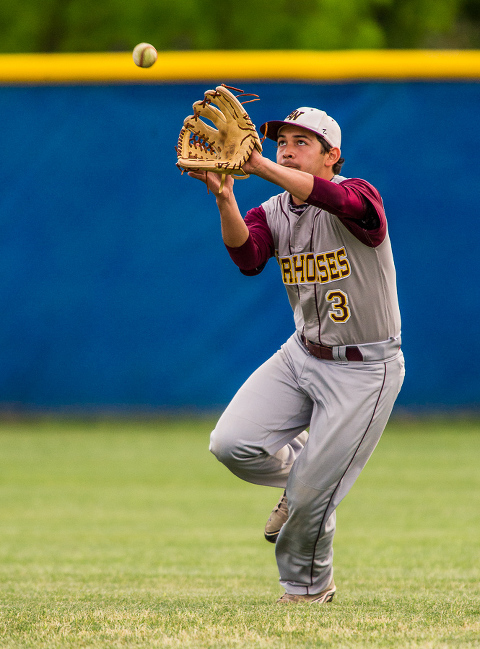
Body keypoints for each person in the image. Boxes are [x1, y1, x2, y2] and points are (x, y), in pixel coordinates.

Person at [186, 105, 405, 604]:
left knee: (309, 501)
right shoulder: (272, 211)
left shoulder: (359, 195)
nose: (286, 147)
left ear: (333, 156)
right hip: (301, 355)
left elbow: (340, 203)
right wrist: (225, 200)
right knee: (232, 443)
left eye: (302, 142)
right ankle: (311, 475)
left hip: (365, 368)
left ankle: (308, 589)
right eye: (281, 141)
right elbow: (248, 258)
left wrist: (258, 165)